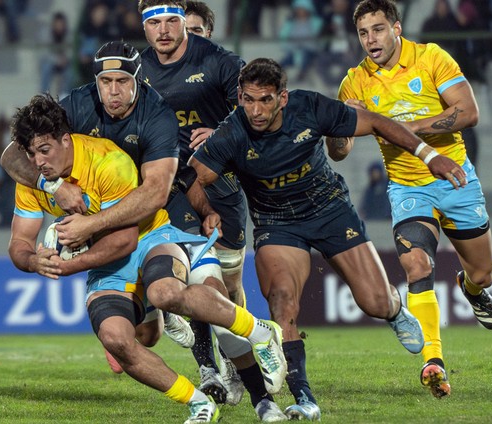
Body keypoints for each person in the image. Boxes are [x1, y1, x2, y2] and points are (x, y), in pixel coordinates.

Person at [0, 39, 278, 421]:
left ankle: (259, 355)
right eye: (105, 82)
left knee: (174, 291)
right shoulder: (68, 120)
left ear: (137, 79)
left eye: (121, 81)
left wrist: (76, 246)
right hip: (106, 240)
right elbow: (12, 164)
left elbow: (148, 203)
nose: (112, 91)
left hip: (154, 224)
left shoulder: (145, 127)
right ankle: (200, 400)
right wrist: (36, 253)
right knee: (126, 339)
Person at [189, 58, 466, 420]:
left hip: (330, 210)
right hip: (277, 223)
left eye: (266, 100)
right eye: (248, 100)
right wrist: (207, 211)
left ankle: (395, 311)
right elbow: (195, 177)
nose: (256, 110)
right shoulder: (231, 132)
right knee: (282, 304)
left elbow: (377, 122)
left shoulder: (311, 107)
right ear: (240, 96)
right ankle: (305, 397)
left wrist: (429, 156)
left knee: (375, 302)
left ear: (283, 98)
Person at [335, 0, 492, 400]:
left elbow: (469, 112)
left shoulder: (430, 58)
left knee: (483, 274)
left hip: (455, 178)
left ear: (397, 28)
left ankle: (472, 290)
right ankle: (433, 360)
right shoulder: (354, 82)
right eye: (363, 33)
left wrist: (406, 129)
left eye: (377, 29)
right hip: (407, 187)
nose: (370, 40)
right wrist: (340, 123)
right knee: (415, 262)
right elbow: (338, 152)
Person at [137, 0, 255, 412]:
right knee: (198, 279)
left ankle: (239, 364)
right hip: (171, 187)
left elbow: (255, 107)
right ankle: (207, 368)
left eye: (185, 26)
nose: (170, 31)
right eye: (159, 22)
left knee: (230, 283)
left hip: (220, 184)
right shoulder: (140, 71)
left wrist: (221, 134)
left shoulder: (220, 64)